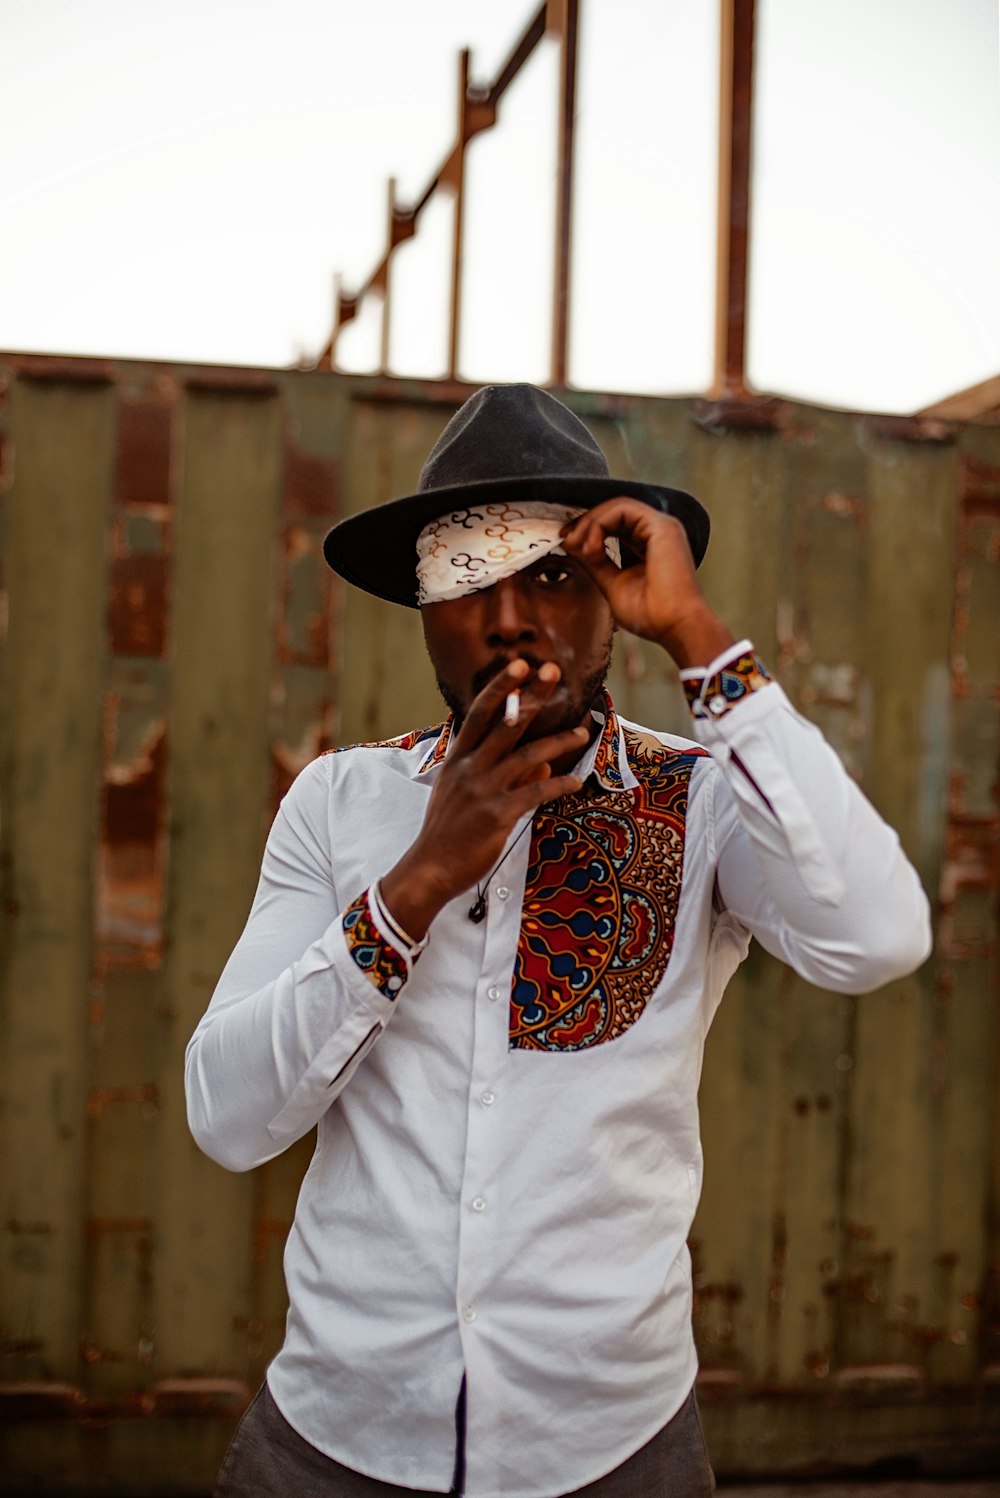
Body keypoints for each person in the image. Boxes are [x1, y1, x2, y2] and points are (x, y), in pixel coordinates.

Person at [186, 384, 931, 1498]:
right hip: (338, 1434)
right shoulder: (341, 803)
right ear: (423, 608)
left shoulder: (704, 802)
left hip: (610, 1443)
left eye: (550, 573)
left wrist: (695, 633)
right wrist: (420, 879)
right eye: (465, 578)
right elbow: (227, 1117)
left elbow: (876, 937)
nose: (506, 618)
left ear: (611, 594)